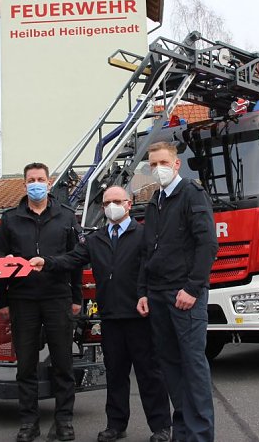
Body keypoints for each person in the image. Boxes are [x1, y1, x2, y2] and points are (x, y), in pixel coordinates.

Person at [29, 186, 172, 442]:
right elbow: (72, 259)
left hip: (140, 317)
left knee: (149, 374)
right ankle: (116, 425)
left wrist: (149, 296)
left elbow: (154, 269)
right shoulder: (95, 239)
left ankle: (161, 427)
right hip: (110, 317)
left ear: (129, 204)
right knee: (115, 374)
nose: (112, 206)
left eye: (117, 201)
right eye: (107, 202)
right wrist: (47, 262)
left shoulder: (143, 235)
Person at [136, 142, 218, 442]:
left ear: (176, 164)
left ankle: (200, 436)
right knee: (170, 366)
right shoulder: (156, 200)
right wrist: (143, 291)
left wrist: (192, 288)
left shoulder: (191, 195)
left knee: (193, 366)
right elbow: (148, 251)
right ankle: (183, 433)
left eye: (162, 162)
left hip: (184, 296)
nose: (158, 169)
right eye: (152, 164)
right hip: (157, 295)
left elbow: (207, 244)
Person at [0, 162, 83, 442]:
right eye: (31, 179)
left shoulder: (67, 216)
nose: (36, 183)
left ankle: (64, 420)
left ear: (49, 183)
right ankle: (28, 422)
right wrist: (3, 302)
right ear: (24, 184)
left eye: (41, 179)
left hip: (58, 297)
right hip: (22, 300)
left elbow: (76, 260)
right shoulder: (10, 219)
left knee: (62, 362)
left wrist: (76, 296)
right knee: (26, 365)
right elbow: (0, 264)